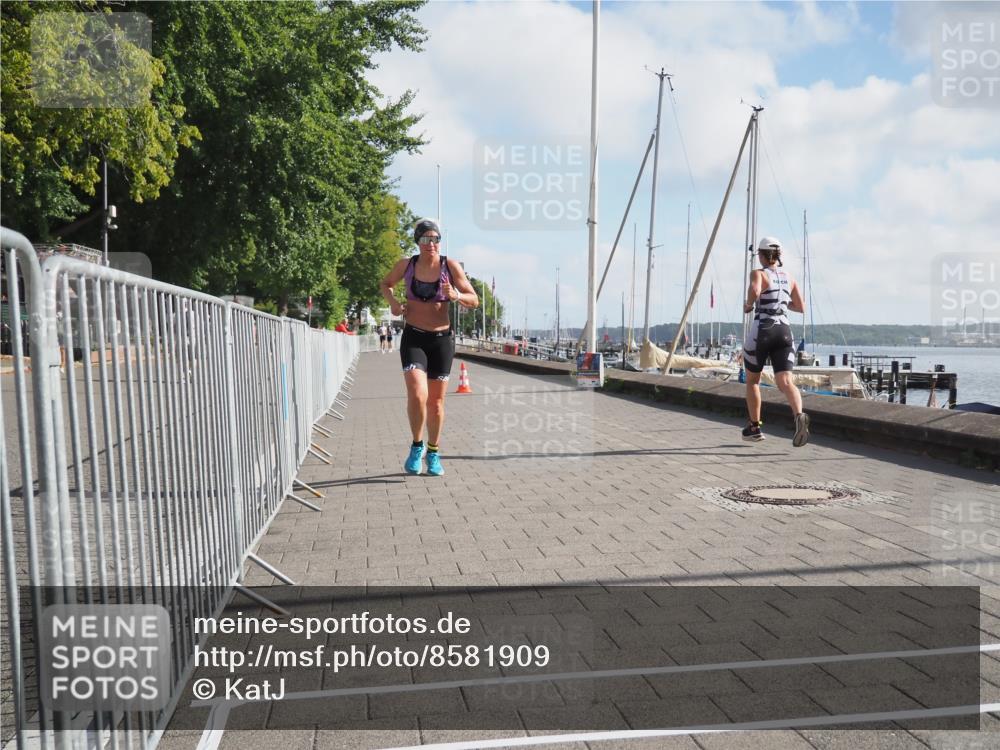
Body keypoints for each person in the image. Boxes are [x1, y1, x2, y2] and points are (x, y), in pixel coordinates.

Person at [380, 218, 478, 476]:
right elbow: (385, 283)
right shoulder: (406, 265)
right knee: (417, 394)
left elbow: (474, 299)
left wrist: (455, 295)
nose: (431, 244)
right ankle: (416, 445)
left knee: (435, 403)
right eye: (425, 239)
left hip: (442, 341)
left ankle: (433, 452)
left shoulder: (450, 266)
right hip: (414, 338)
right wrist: (392, 303)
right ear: (418, 242)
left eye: (435, 239)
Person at [741, 237, 810, 446]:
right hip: (785, 331)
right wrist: (781, 303)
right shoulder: (789, 277)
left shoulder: (759, 273)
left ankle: (754, 427)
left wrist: (748, 305)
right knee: (786, 382)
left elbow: (754, 290)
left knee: (753, 380)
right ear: (778, 256)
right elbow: (801, 307)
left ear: (761, 255)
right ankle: (799, 415)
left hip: (763, 329)